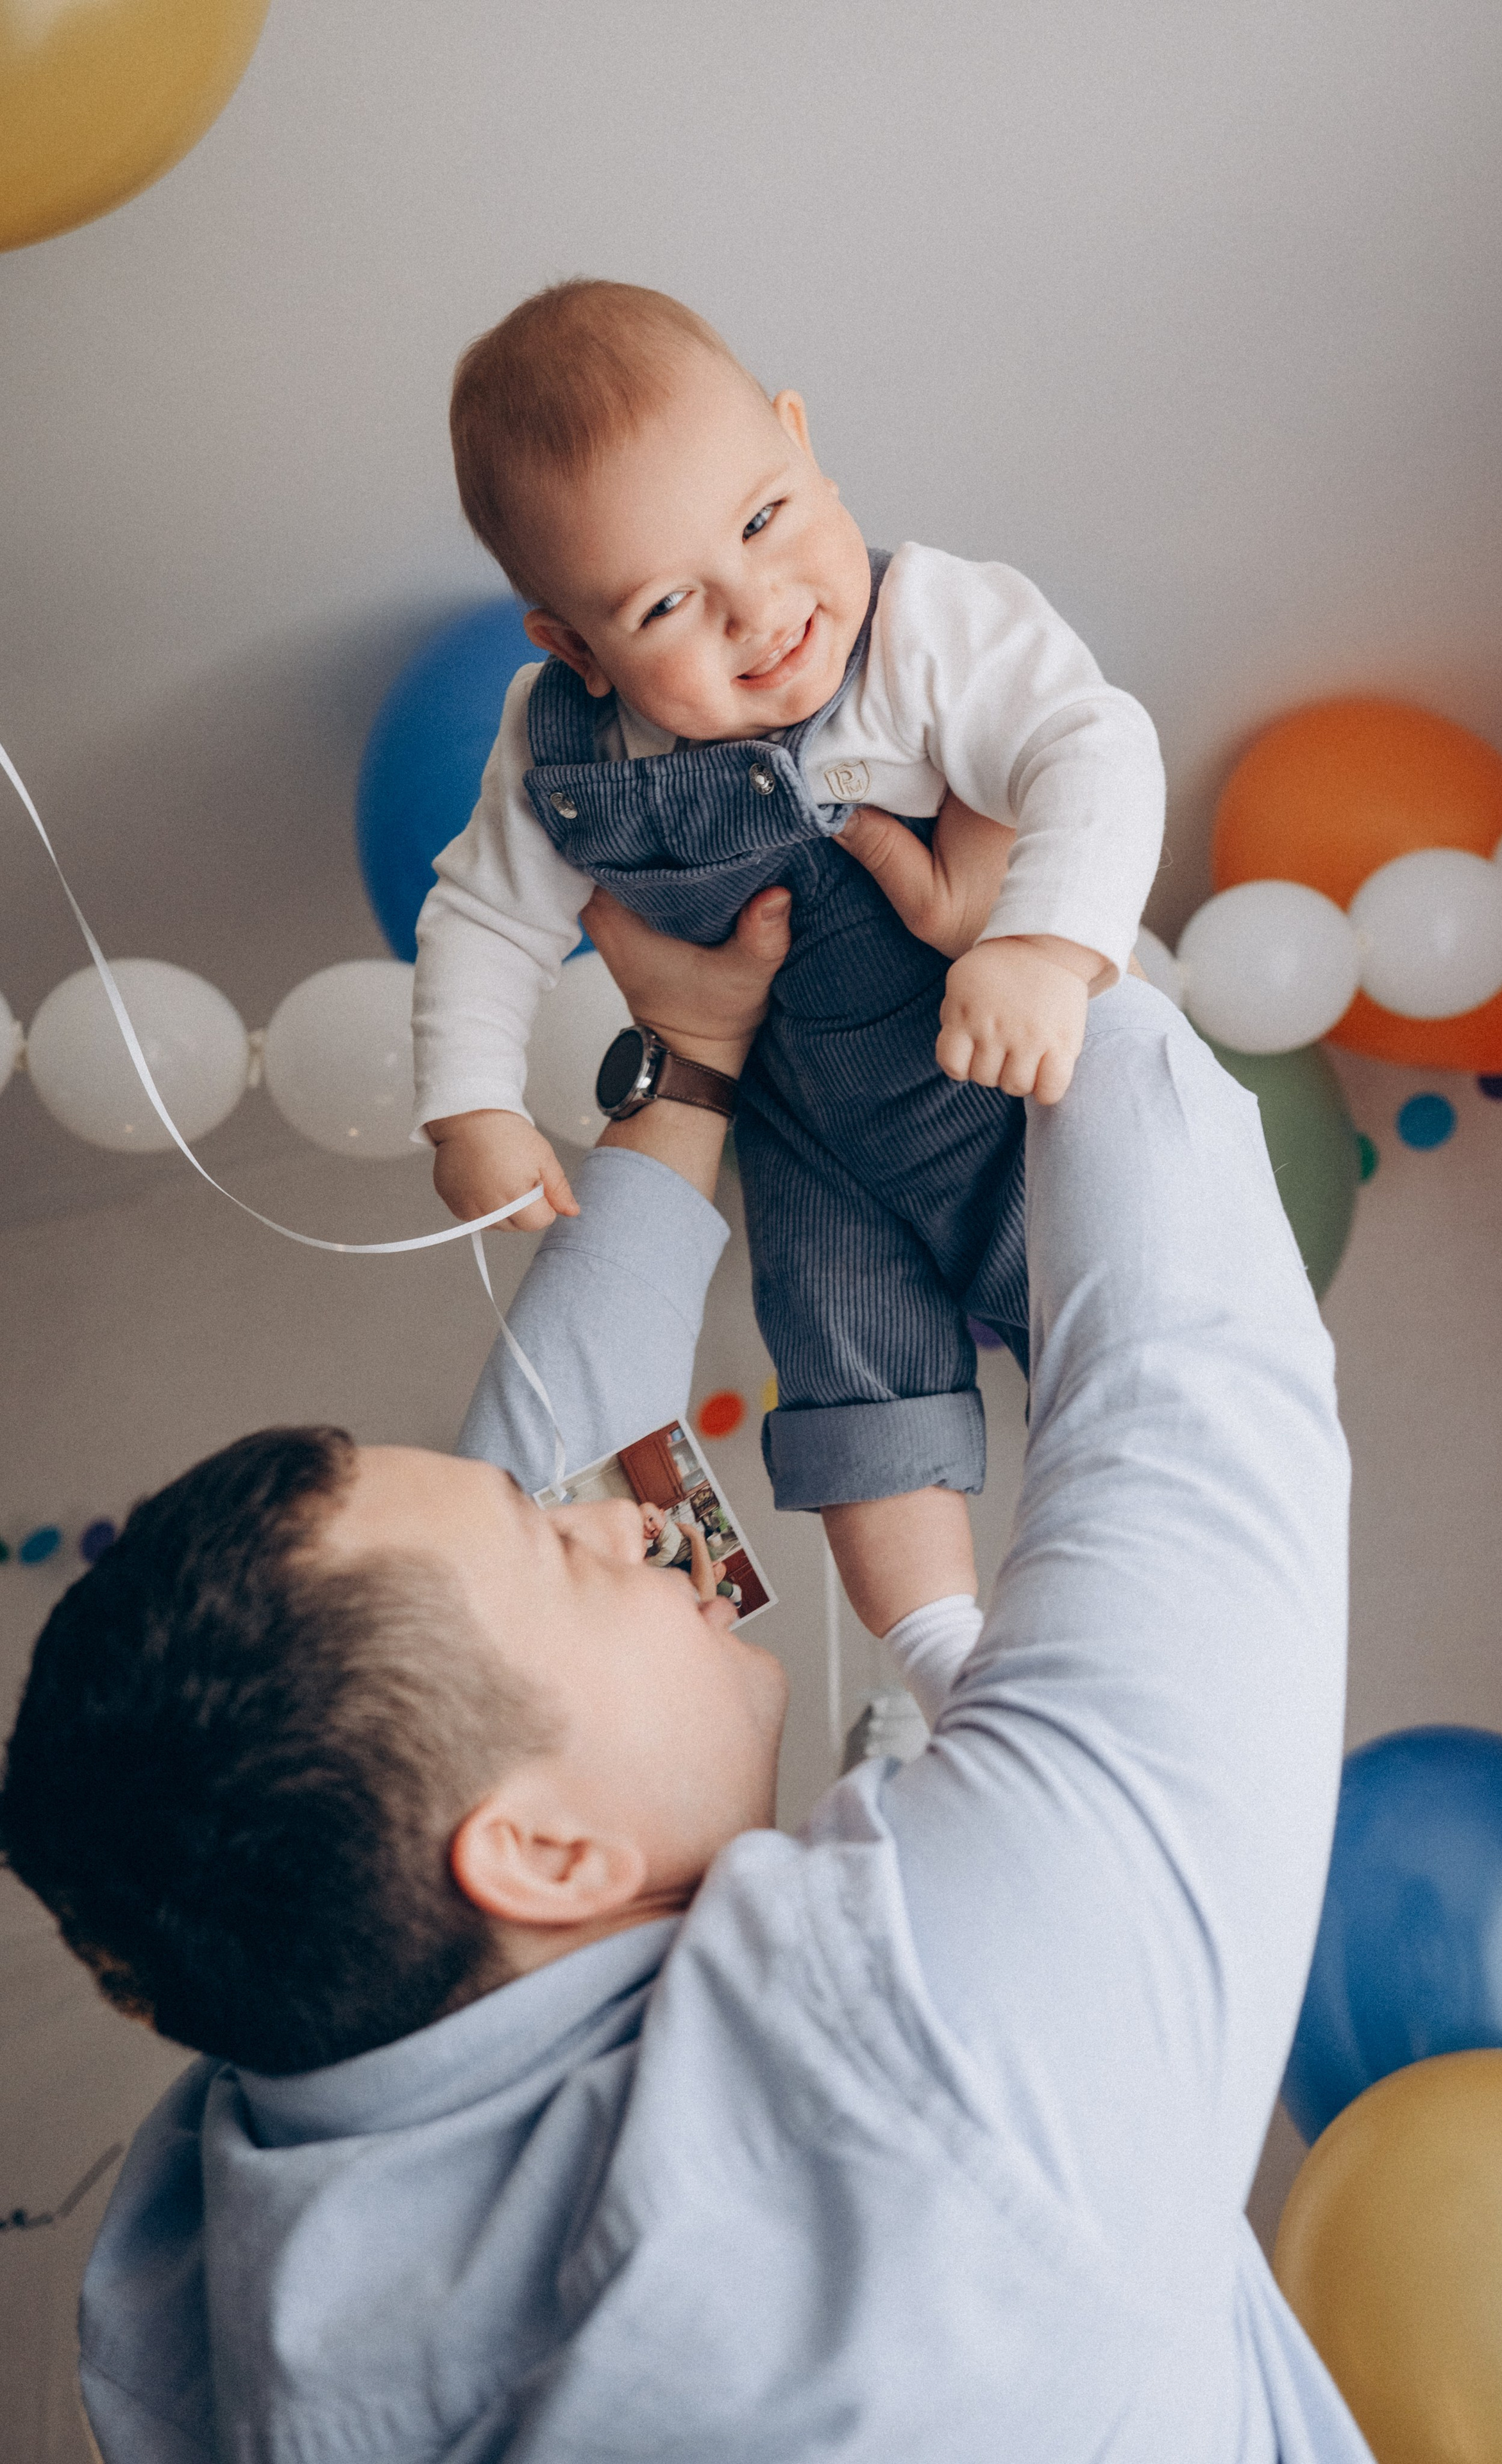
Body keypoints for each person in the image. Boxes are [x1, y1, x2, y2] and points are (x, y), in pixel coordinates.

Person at [0, 831, 1366, 2462]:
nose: (606, 1522)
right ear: (543, 1852)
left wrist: (695, 1058)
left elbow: (545, 1528)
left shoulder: (232, 2220)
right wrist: (1058, 937)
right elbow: (1193, 1396)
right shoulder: (921, 2061)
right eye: (557, 1555)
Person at [412, 277, 1167, 1662]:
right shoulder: (559, 752)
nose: (757, 610)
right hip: (812, 1148)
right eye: (664, 605)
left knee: (1123, 1334)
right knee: (851, 1395)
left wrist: (1040, 949)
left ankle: (1148, 1611)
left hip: (999, 1080)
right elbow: (481, 917)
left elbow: (1093, 742)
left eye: (763, 519)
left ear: (802, 441)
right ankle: (941, 1657)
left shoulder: (926, 628)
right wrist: (470, 1106)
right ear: (575, 650)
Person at [638, 1498, 717, 1604]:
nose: (648, 1526)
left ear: (662, 1515)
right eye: (642, 1526)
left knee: (718, 1586)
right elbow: (657, 1550)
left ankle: (733, 1593)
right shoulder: (659, 1538)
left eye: (651, 1519)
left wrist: (649, 1562)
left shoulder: (668, 1531)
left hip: (691, 1558)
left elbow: (668, 1553)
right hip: (690, 1559)